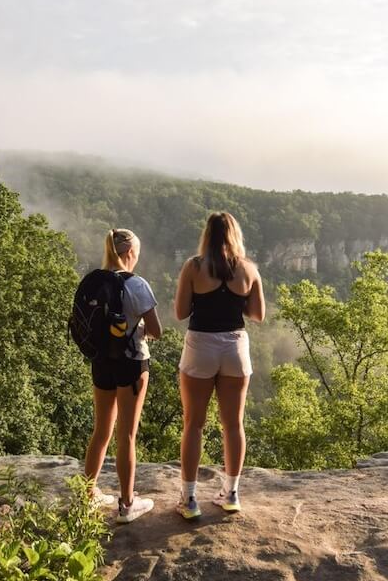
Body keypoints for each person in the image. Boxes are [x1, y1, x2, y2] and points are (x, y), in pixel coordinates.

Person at [174, 212, 265, 519]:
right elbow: (258, 314)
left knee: (194, 424)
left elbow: (181, 312)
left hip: (201, 344)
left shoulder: (194, 267)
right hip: (235, 345)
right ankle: (232, 494)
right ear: (235, 234)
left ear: (207, 235)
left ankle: (188, 500)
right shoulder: (248, 269)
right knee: (233, 424)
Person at [83, 228, 162, 523]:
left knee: (101, 431)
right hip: (131, 363)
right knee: (126, 435)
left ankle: (87, 497)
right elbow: (156, 331)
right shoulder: (137, 284)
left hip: (101, 361)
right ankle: (127, 504)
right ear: (130, 253)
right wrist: (138, 329)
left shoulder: (95, 280)